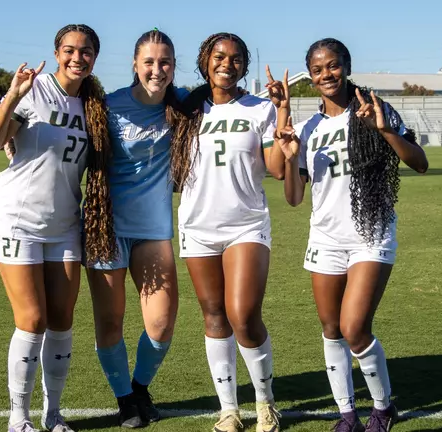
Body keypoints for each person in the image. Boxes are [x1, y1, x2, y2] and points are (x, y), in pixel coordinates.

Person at [277, 38, 428, 432]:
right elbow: (294, 198)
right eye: (317, 69)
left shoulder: (373, 108)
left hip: (370, 234)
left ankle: (383, 407)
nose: (326, 74)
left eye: (332, 66)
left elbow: (421, 162)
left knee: (354, 328)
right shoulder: (310, 128)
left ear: (346, 64)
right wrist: (292, 161)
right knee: (331, 330)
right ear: (310, 76)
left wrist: (384, 130)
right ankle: (347, 415)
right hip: (325, 239)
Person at [0, 23, 115, 432]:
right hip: (17, 221)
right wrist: (13, 97)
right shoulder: (34, 90)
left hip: (65, 225)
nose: (77, 58)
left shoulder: (93, 105)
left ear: (94, 56)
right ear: (57, 53)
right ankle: (18, 416)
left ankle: (53, 414)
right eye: (69, 50)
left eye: (86, 51)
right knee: (32, 318)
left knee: (61, 319)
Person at [170, 32, 288, 432]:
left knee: (244, 315)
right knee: (214, 315)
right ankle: (229, 410)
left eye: (236, 58)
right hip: (197, 227)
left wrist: (283, 112)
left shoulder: (260, 109)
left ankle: (265, 403)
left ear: (244, 66)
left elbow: (276, 168)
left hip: (246, 225)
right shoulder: (184, 109)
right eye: (219, 56)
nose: (227, 63)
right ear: (205, 60)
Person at [84, 28, 189, 429]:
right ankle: (125, 399)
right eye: (149, 61)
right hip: (106, 228)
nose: (156, 69)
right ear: (134, 63)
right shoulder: (105, 107)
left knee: (161, 323)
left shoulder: (182, 107)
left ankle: (140, 386)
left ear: (174, 66)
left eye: (164, 62)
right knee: (110, 322)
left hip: (153, 228)